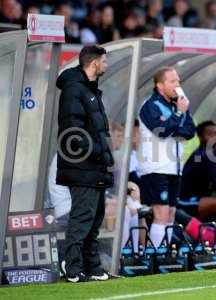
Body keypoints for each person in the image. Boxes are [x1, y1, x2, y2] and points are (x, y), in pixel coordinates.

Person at [56, 45, 114, 283]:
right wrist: (100, 151)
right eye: (105, 61)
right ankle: (72, 268)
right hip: (81, 167)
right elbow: (73, 131)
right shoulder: (74, 90)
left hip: (94, 166)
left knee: (95, 218)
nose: (106, 65)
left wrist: (103, 156)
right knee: (82, 218)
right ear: (94, 64)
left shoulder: (90, 90)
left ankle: (93, 267)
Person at [137, 67, 196, 248]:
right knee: (161, 214)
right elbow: (161, 131)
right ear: (160, 85)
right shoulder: (150, 105)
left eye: (178, 81)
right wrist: (178, 115)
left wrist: (177, 117)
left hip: (173, 168)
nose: (177, 85)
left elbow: (189, 131)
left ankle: (165, 251)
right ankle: (156, 253)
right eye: (173, 81)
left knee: (170, 214)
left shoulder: (177, 105)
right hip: (155, 168)